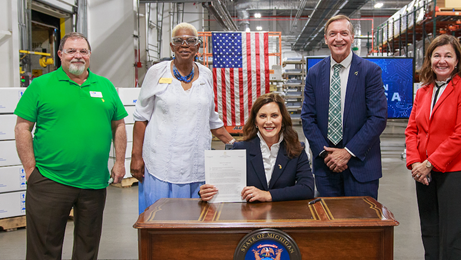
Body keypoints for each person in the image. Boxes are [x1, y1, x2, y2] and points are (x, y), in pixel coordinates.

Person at [14, 32, 127, 260]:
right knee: (44, 249)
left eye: (83, 51)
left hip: (94, 182)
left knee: (88, 247)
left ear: (89, 54)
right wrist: (30, 171)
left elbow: (119, 125)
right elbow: (22, 128)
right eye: (71, 51)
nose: (78, 56)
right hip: (50, 180)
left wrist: (120, 162)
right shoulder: (41, 85)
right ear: (60, 54)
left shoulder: (104, 85)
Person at [131, 23, 235, 213]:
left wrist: (235, 144)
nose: (184, 45)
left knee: (192, 221)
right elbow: (141, 117)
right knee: (159, 220)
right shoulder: (157, 72)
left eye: (190, 41)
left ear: (198, 46)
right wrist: (136, 156)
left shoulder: (206, 75)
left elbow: (212, 119)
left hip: (195, 162)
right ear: (172, 47)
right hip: (160, 163)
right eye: (179, 41)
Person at [405, 34, 461, 260]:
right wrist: (415, 162)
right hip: (425, 174)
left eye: (448, 55)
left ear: (457, 60)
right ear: (429, 60)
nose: (442, 60)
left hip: (455, 173)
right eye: (436, 55)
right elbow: (412, 130)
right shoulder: (423, 91)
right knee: (430, 232)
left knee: (453, 237)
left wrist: (429, 163)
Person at [301, 15, 387, 200]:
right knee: (330, 227)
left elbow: (378, 118)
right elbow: (308, 117)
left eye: (343, 33)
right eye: (332, 34)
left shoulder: (370, 71)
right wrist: (326, 154)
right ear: (325, 38)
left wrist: (347, 152)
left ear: (352, 37)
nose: (338, 39)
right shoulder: (314, 73)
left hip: (361, 166)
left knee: (362, 226)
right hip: (326, 166)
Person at [200, 93, 315, 202]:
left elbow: (307, 188)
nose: (269, 121)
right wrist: (206, 193)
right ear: (255, 121)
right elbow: (222, 185)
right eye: (263, 116)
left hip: (283, 216)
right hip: (250, 218)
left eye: (274, 115)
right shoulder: (240, 149)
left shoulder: (296, 149)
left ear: (283, 119)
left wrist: (268, 195)